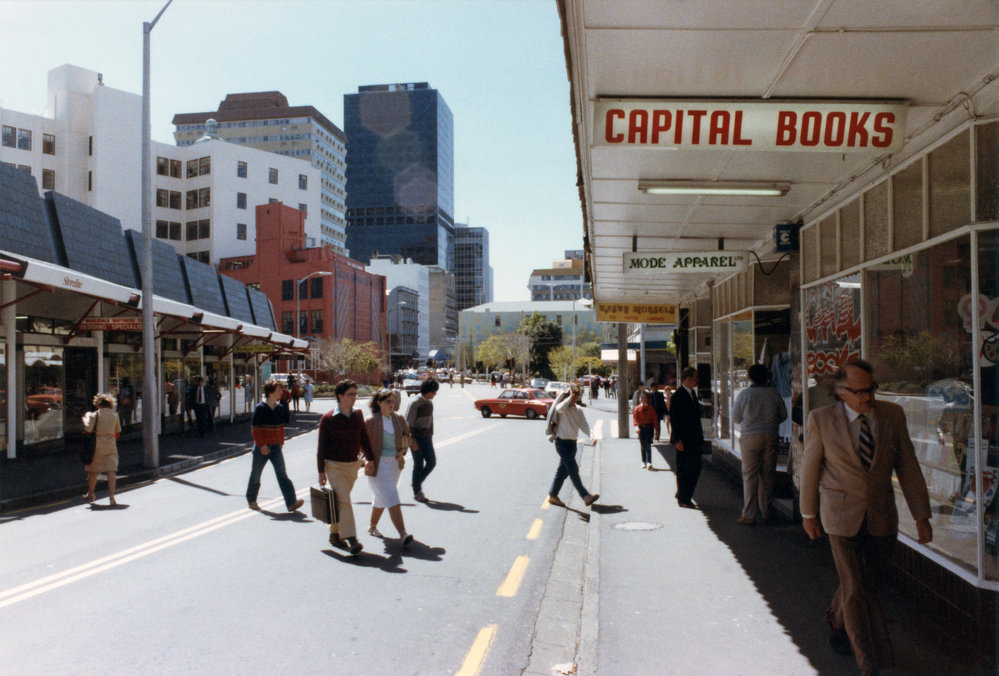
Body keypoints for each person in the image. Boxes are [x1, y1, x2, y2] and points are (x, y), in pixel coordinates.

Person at [801, 359, 932, 675]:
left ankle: (836, 614)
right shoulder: (821, 419)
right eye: (859, 392)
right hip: (840, 516)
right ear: (841, 392)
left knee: (864, 581)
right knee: (858, 590)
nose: (868, 397)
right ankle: (872, 661)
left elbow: (908, 466)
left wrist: (921, 515)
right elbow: (810, 468)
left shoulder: (892, 415)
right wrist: (809, 513)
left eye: (871, 389)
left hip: (881, 515)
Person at [318, 379, 374, 555]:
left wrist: (371, 459)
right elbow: (321, 448)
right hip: (334, 466)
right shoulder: (328, 419)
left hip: (352, 466)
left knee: (340, 502)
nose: (354, 398)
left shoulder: (358, 415)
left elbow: (364, 438)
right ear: (340, 396)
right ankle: (351, 539)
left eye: (355, 394)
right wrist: (321, 472)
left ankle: (334, 534)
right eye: (350, 394)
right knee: (344, 501)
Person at [731, 363, 788, 525]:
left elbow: (735, 417)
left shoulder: (744, 395)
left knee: (749, 475)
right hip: (770, 435)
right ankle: (767, 512)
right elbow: (783, 414)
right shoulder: (773, 393)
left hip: (750, 436)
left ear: (750, 377)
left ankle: (749, 514)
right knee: (768, 475)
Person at [246, 378, 305, 514]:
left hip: (276, 447)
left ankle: (291, 503)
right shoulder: (260, 408)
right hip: (262, 447)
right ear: (271, 392)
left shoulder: (279, 408)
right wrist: (262, 446)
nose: (282, 392)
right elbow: (255, 430)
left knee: (282, 474)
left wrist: (281, 443)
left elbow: (281, 428)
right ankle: (252, 500)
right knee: (256, 474)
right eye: (279, 390)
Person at [364, 389, 415, 546]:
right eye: (388, 401)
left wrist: (403, 451)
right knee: (392, 496)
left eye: (393, 401)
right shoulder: (371, 421)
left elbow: (408, 437)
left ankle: (372, 526)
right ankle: (403, 534)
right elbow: (362, 444)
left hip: (395, 465)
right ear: (379, 403)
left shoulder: (399, 419)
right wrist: (365, 460)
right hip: (378, 466)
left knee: (382, 498)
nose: (392, 404)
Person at [546, 383, 599, 508]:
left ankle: (553, 495)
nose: (575, 399)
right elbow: (559, 408)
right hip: (562, 443)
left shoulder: (578, 410)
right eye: (574, 397)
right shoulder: (562, 409)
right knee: (573, 470)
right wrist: (570, 397)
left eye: (577, 397)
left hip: (572, 444)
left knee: (563, 471)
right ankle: (585, 496)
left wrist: (591, 435)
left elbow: (584, 424)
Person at [669, 367, 704, 509]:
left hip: (694, 438)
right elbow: (675, 420)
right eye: (695, 378)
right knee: (686, 469)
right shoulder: (678, 395)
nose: (697, 381)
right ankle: (684, 498)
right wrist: (677, 440)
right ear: (688, 379)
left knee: (693, 468)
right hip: (684, 439)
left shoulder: (692, 393)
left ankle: (683, 494)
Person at [82, 393, 122, 505]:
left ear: (98, 404)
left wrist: (85, 421)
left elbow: (87, 431)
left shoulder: (95, 415)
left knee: (93, 471)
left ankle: (91, 493)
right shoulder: (115, 415)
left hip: (97, 444)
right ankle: (112, 497)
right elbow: (117, 432)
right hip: (110, 443)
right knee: (111, 471)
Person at [406, 378, 439, 503]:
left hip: (427, 438)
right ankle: (417, 492)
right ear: (428, 391)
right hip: (416, 439)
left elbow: (430, 421)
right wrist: (412, 441)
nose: (435, 394)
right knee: (418, 464)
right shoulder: (415, 403)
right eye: (434, 392)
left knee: (431, 462)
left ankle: (416, 482)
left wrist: (430, 434)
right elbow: (408, 424)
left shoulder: (430, 403)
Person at [633, 390, 658, 470]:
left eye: (644, 398)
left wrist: (656, 431)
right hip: (641, 428)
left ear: (647, 399)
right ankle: (643, 461)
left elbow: (655, 420)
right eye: (641, 398)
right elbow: (635, 419)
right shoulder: (637, 408)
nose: (642, 399)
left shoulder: (651, 409)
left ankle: (649, 462)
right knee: (642, 445)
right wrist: (636, 427)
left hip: (649, 428)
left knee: (648, 444)